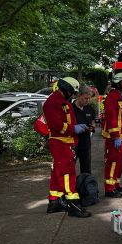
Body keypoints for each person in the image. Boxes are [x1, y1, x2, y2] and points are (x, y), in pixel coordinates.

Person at [44, 77, 91, 218]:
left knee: (57, 173)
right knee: (67, 173)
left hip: (66, 142)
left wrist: (76, 128)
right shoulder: (53, 102)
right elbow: (56, 125)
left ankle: (54, 202)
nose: (74, 95)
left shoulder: (62, 101)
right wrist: (73, 128)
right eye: (73, 92)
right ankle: (73, 205)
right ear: (68, 89)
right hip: (60, 142)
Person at [102, 72, 122, 198]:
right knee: (112, 162)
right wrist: (116, 136)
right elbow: (112, 118)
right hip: (114, 138)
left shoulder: (120, 96)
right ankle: (109, 188)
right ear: (118, 83)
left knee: (120, 162)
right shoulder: (112, 97)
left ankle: (116, 184)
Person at [73, 86, 96, 174]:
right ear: (79, 96)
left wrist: (92, 127)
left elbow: (93, 122)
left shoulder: (89, 109)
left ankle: (85, 186)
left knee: (86, 170)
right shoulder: (71, 109)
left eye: (89, 99)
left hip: (86, 144)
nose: (87, 101)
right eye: (85, 98)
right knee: (70, 168)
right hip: (74, 144)